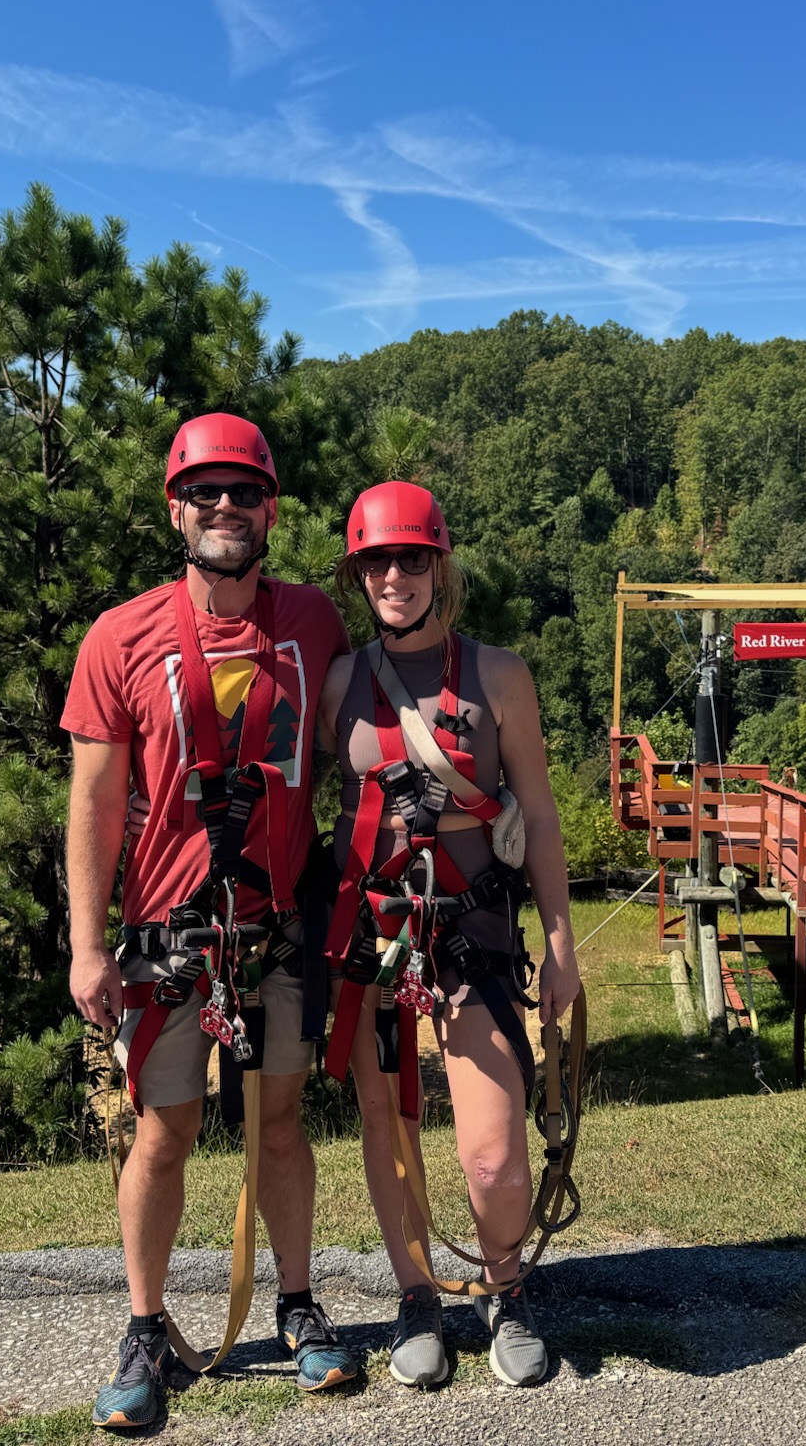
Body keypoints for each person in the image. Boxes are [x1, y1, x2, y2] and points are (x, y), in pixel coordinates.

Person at [64, 413, 356, 1428]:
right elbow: (95, 803)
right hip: (165, 929)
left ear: (270, 508)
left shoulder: (313, 622)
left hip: (273, 923)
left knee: (280, 1127)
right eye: (205, 494)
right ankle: (145, 1325)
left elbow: (364, 737)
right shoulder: (122, 636)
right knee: (164, 1130)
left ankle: (297, 1303)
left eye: (243, 493)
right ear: (175, 510)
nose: (224, 510)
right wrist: (86, 945)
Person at [316, 481, 583, 1389]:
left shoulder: (499, 675)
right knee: (389, 1127)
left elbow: (539, 815)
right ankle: (418, 1294)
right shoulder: (343, 683)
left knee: (494, 1153)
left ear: (440, 566)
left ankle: (504, 1286)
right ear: (359, 574)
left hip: (473, 932)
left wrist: (560, 942)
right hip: (376, 933)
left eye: (412, 558)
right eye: (378, 561)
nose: (396, 575)